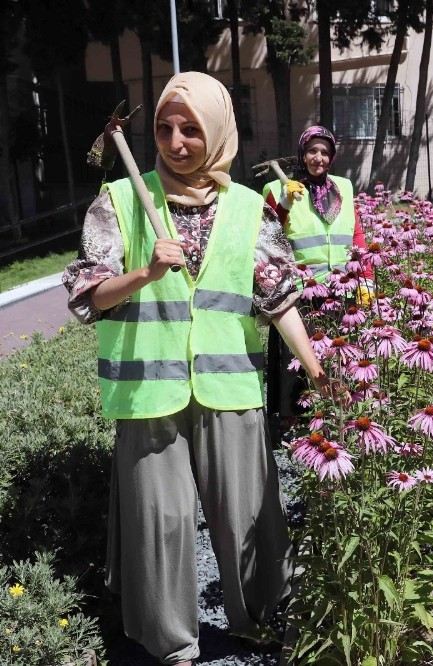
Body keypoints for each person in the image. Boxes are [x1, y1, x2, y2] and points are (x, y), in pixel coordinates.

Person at [62, 72, 328, 665]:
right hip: (148, 395)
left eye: (190, 129)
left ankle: (262, 621)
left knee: (247, 515)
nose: (175, 141)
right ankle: (170, 644)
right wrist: (144, 275)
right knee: (163, 522)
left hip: (228, 386)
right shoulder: (121, 201)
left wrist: (313, 364)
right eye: (163, 127)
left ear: (219, 133)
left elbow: (276, 296)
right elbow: (87, 296)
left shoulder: (247, 210)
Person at [261, 126, 370, 431]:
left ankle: (337, 419)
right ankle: (291, 425)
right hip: (300, 291)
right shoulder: (278, 188)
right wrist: (283, 203)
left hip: (341, 288)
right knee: (295, 362)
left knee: (339, 357)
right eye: (312, 151)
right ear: (302, 154)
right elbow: (266, 233)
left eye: (324, 152)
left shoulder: (344, 188)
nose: (318, 158)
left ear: (332, 157)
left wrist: (367, 279)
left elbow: (356, 233)